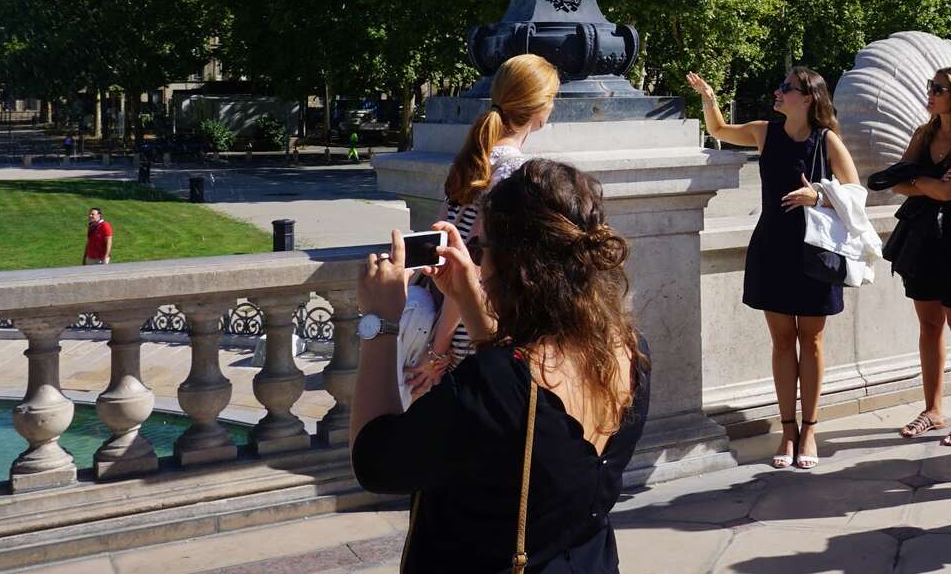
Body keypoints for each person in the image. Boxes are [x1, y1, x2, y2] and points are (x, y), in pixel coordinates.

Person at [351, 160, 649, 573]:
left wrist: (381, 325)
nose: (476, 261)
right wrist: (472, 303)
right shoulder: (630, 351)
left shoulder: (495, 385)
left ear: (513, 266)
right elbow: (523, 407)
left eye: (481, 248)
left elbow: (374, 461)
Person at [686, 67, 859, 470]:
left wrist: (817, 196)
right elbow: (722, 130)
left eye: (787, 88)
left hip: (815, 250)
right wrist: (709, 100)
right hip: (773, 246)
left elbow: (855, 193)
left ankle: (810, 430)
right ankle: (787, 431)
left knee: (811, 341)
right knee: (782, 341)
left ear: (809, 98)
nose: (778, 92)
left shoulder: (827, 140)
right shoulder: (765, 131)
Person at [405, 54, 560, 400]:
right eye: (552, 99)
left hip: (451, 319)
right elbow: (470, 268)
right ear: (539, 108)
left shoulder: (477, 158)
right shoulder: (516, 173)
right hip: (471, 328)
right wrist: (438, 349)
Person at [884, 67, 951, 448]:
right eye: (930, 86)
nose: (929, 93)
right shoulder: (923, 133)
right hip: (922, 235)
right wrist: (929, 183)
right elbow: (896, 181)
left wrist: (919, 184)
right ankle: (933, 409)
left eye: (938, 89)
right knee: (929, 324)